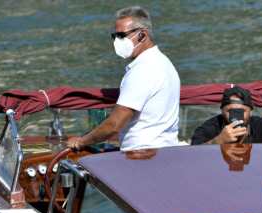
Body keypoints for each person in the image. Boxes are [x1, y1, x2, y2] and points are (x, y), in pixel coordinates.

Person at [67, 6, 180, 151]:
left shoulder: (143, 70)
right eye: (114, 36)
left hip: (142, 156)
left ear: (142, 35)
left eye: (121, 36)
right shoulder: (164, 62)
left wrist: (82, 141)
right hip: (167, 151)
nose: (116, 42)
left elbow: (114, 125)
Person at [191, 87, 262, 145]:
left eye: (241, 111)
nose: (236, 116)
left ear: (250, 111)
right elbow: (192, 156)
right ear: (222, 111)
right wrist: (218, 141)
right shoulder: (209, 128)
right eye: (230, 111)